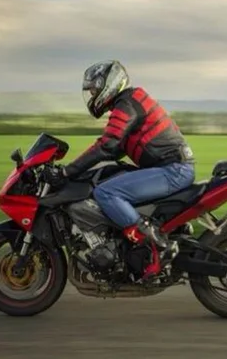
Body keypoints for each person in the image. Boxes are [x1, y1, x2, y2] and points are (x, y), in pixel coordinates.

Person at [45, 60, 195, 273]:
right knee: (107, 178)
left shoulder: (128, 103)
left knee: (106, 193)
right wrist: (75, 172)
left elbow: (107, 145)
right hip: (171, 168)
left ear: (110, 83)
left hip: (173, 170)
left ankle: (153, 244)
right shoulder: (129, 102)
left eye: (95, 89)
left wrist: (66, 171)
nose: (93, 94)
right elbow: (114, 149)